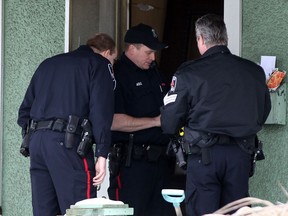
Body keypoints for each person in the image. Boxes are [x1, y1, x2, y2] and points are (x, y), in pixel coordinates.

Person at [160, 14, 271, 216]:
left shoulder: (189, 73)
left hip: (204, 157)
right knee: (238, 212)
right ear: (225, 38)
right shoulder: (253, 71)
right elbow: (263, 113)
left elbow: (169, 121)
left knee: (204, 211)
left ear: (201, 39)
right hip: (240, 154)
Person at [17, 33, 117, 216]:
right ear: (106, 53)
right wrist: (102, 153)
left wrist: (37, 137)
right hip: (69, 144)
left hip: (37, 144)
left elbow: (24, 112)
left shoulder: (48, 64)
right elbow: (101, 111)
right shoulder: (99, 64)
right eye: (113, 60)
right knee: (81, 210)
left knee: (44, 211)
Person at [106, 23, 176, 216]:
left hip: (161, 163)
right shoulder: (117, 75)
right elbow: (114, 121)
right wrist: (155, 121)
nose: (153, 57)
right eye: (148, 52)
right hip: (132, 165)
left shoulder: (155, 72)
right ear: (131, 48)